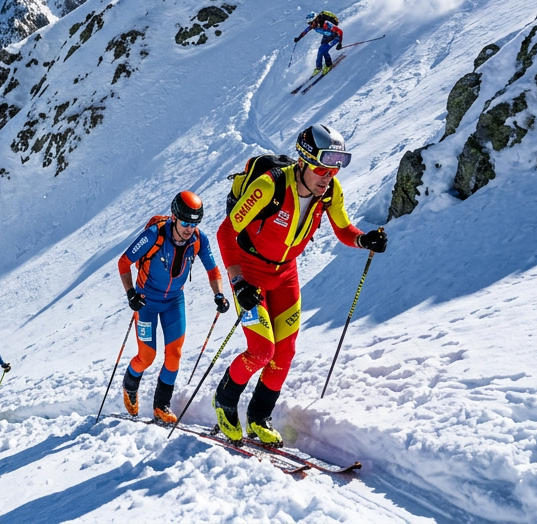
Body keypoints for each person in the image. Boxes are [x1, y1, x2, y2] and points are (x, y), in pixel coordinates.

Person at [214, 125, 387, 446]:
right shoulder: (269, 186)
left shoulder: (330, 191)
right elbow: (226, 232)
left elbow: (343, 229)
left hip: (285, 276)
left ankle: (259, 417)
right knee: (261, 350)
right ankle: (224, 401)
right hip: (250, 274)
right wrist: (237, 282)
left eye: (334, 169)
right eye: (322, 169)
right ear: (303, 162)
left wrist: (364, 240)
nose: (328, 177)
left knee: (285, 352)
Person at [119, 192, 229, 423]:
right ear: (174, 217)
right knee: (146, 356)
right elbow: (124, 262)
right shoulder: (154, 235)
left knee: (174, 355)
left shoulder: (198, 239)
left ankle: (161, 406)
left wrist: (219, 294)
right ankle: (129, 385)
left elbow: (213, 270)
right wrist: (131, 294)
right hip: (146, 302)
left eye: (194, 223)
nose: (190, 229)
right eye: (186, 223)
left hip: (174, 302)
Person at [294, 11, 345, 76]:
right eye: (309, 23)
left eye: (311, 23)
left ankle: (329, 65)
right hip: (327, 37)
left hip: (335, 37)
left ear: (316, 20)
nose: (310, 25)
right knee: (320, 51)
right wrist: (298, 38)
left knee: (323, 49)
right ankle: (319, 67)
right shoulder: (313, 25)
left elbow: (340, 31)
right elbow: (305, 32)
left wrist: (340, 43)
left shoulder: (326, 24)